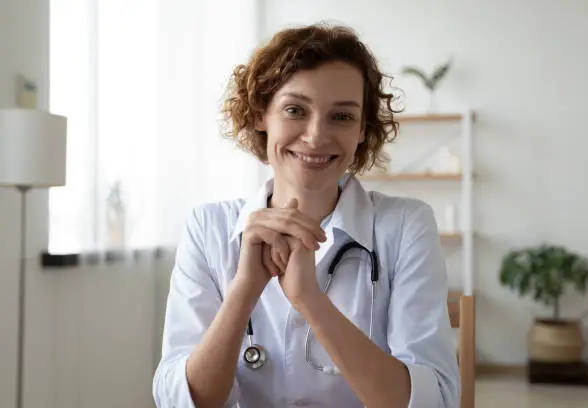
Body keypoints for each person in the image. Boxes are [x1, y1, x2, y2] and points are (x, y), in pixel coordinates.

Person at [153, 23, 459, 408]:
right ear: (261, 113)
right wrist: (245, 289)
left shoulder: (405, 226)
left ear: (363, 129)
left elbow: (434, 402)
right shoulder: (208, 228)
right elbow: (180, 401)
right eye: (295, 110)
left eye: (342, 117)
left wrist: (310, 300)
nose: (316, 136)